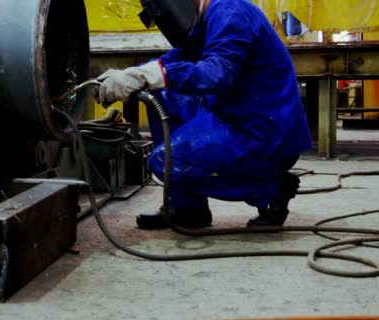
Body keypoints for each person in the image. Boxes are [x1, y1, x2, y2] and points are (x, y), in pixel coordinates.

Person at [93, 0, 312, 229]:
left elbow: (216, 73)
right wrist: (133, 75)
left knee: (163, 161)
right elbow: (178, 57)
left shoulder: (231, 12)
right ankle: (188, 209)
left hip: (263, 136)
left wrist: (153, 74)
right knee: (157, 93)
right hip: (234, 113)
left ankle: (272, 189)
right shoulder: (207, 18)